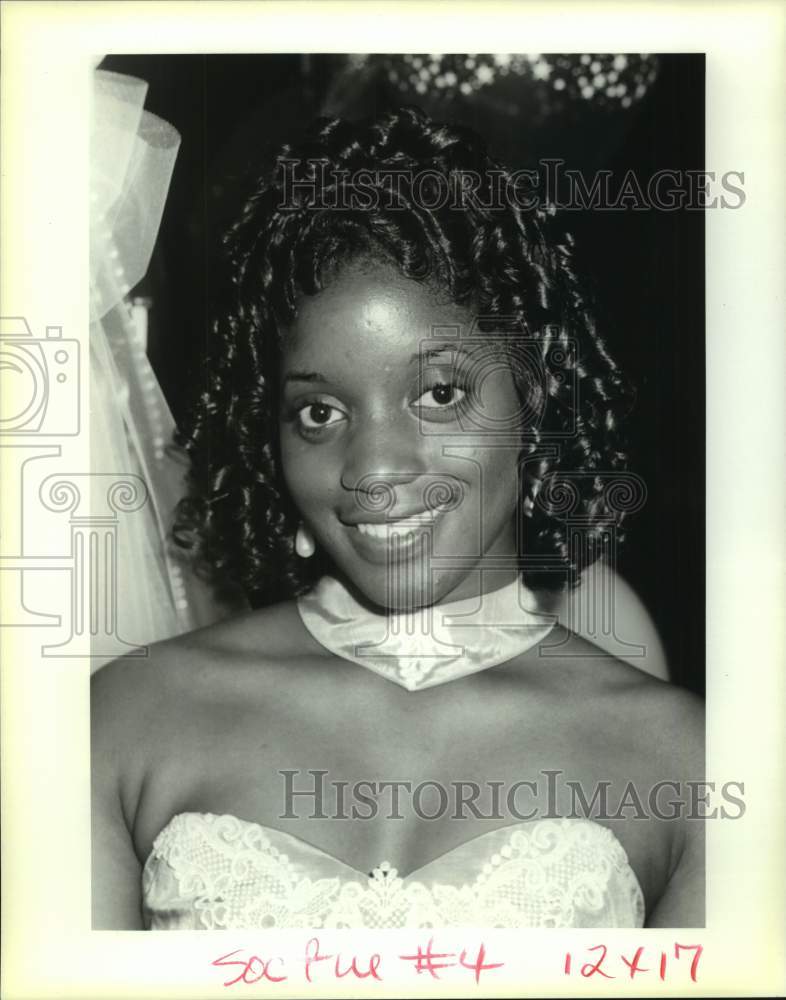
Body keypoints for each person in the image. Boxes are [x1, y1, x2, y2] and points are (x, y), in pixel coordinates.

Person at [91, 106, 703, 930]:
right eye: (318, 413)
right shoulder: (125, 721)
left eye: (439, 394)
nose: (374, 469)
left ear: (535, 395)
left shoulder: (688, 763)